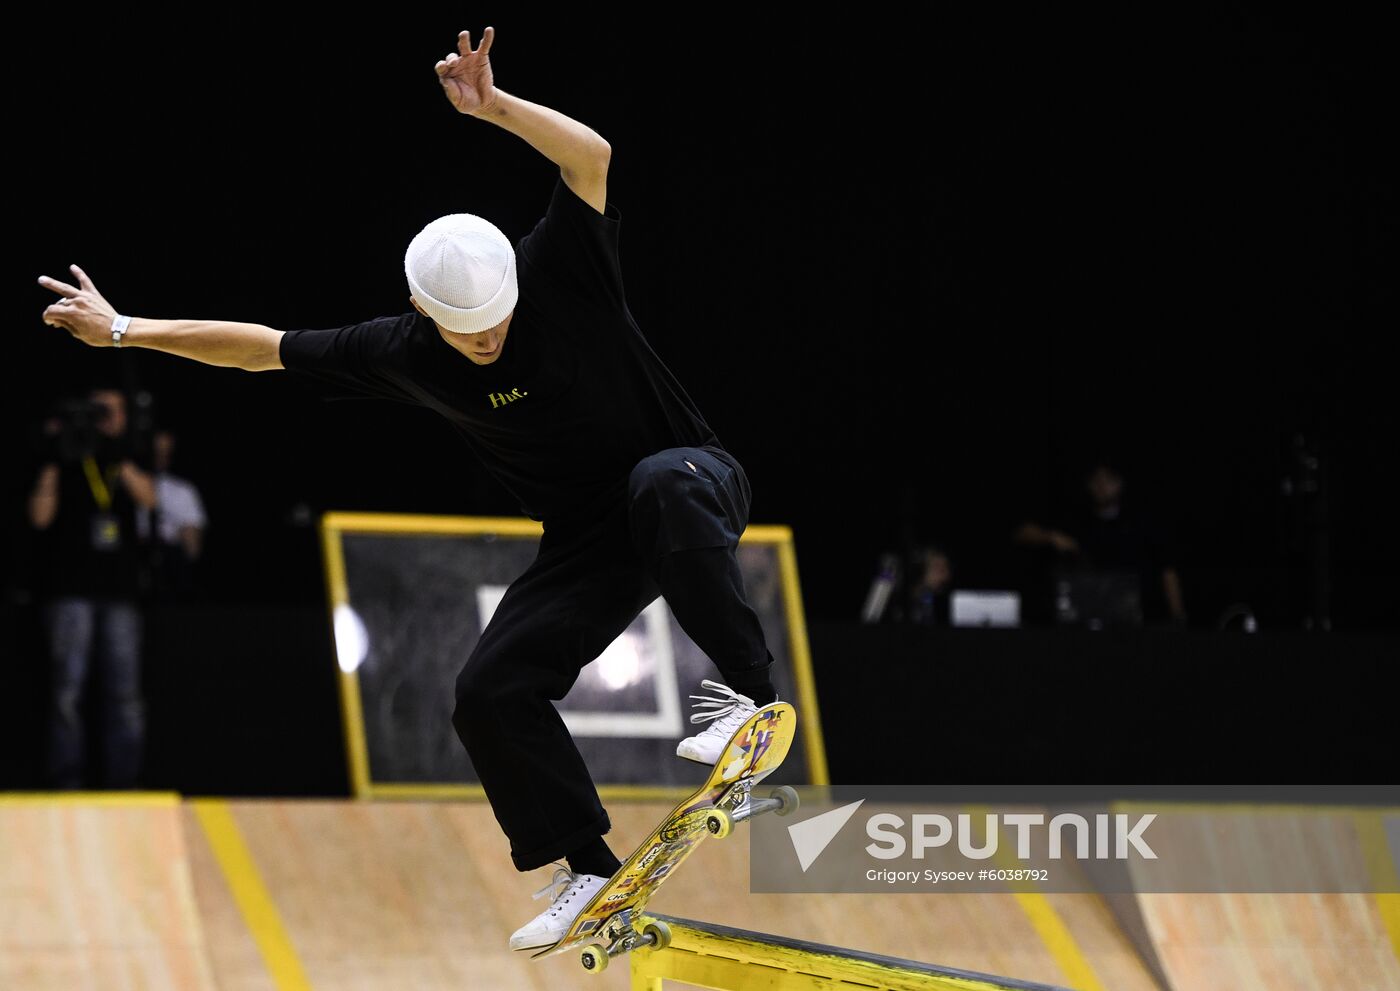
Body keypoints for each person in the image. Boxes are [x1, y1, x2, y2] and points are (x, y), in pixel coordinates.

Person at [38, 25, 783, 950]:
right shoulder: (398, 349)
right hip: (593, 541)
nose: (488, 341)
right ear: (426, 315)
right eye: (466, 333)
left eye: (498, 323)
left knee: (656, 482)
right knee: (488, 689)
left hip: (694, 477)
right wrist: (124, 331)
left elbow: (591, 155)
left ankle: (753, 702)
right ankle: (588, 870)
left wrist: (495, 108)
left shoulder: (563, 268)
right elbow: (260, 348)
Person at [27, 388, 157, 788]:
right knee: (67, 690)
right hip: (70, 590)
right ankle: (67, 780)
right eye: (95, 412)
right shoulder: (64, 458)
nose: (101, 420)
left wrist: (118, 455)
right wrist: (57, 454)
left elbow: (151, 501)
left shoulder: (127, 457)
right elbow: (39, 518)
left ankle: (126, 782)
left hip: (119, 592)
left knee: (125, 694)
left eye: (109, 412)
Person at [1015, 459, 1187, 626]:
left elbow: (1167, 570)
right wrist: (1051, 537)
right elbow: (1023, 532)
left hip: (1133, 619)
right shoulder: (1076, 520)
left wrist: (1177, 614)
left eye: (1108, 480)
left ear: (1120, 484)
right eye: (1096, 480)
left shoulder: (1140, 523)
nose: (1102, 486)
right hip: (1082, 618)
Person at [134, 429, 208, 600]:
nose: (160, 457)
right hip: (134, 560)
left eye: (165, 452)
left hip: (169, 564)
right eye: (156, 451)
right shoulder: (124, 484)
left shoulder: (182, 490)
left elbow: (192, 549)